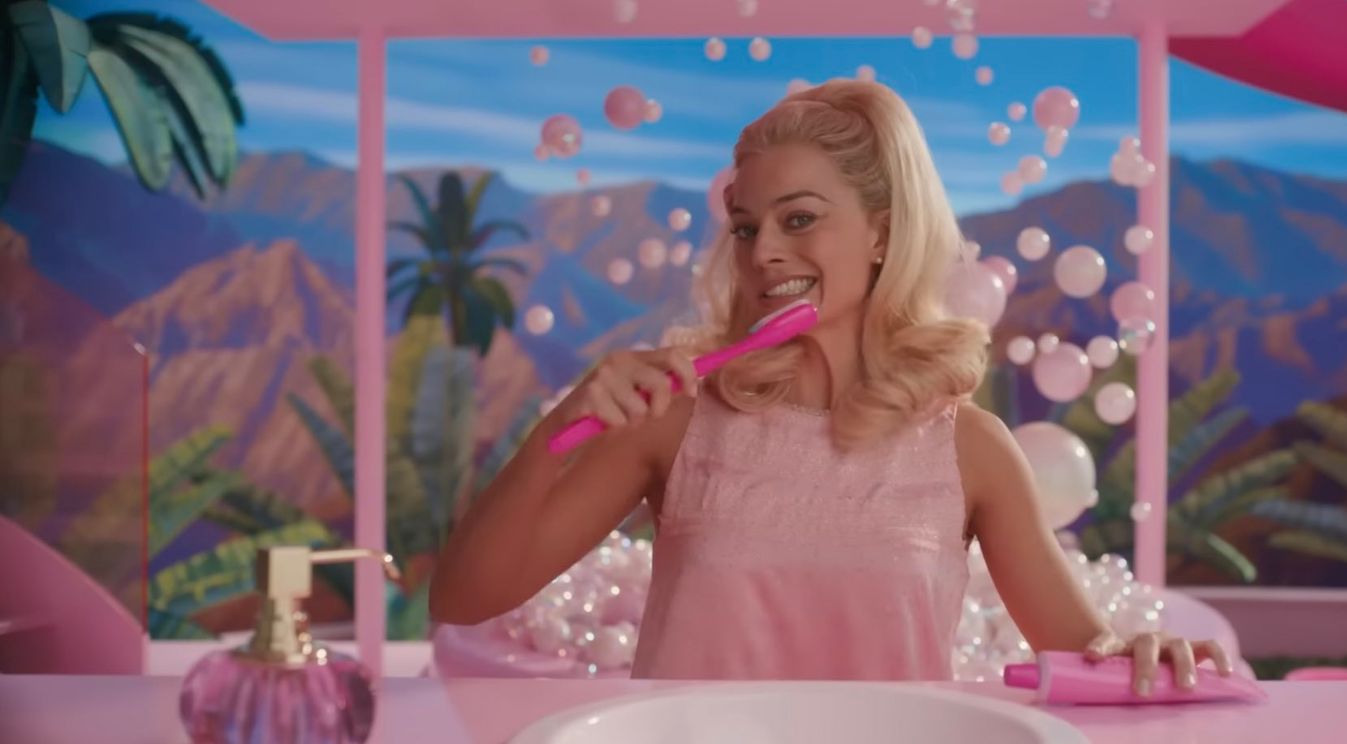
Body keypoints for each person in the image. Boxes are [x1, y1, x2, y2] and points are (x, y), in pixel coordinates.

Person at [432, 79, 1232, 694]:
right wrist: (561, 428)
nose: (763, 252)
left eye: (799, 219)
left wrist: (1140, 656)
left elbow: (1082, 654)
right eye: (746, 228)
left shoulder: (971, 449)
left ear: (883, 232)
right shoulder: (676, 422)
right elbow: (463, 598)